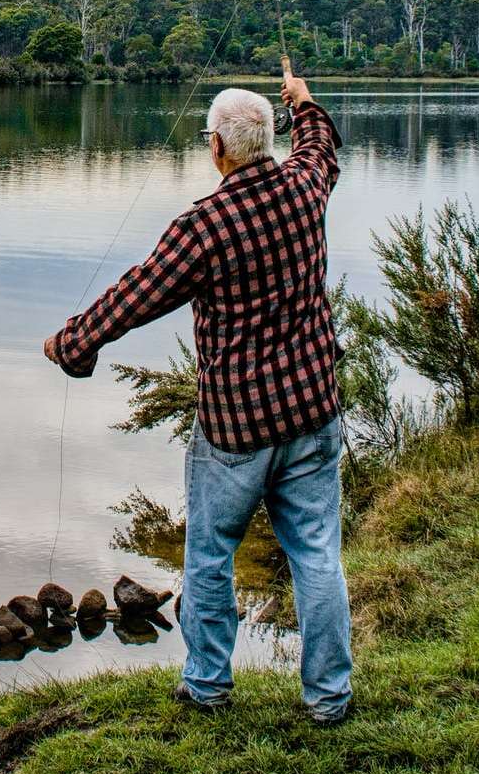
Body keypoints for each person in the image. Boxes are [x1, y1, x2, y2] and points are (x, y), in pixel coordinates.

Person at [44, 71, 352, 724]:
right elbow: (322, 146)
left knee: (211, 554)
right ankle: (329, 697)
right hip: (313, 411)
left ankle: (208, 684)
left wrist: (76, 344)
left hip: (237, 428)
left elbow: (139, 293)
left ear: (217, 148)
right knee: (318, 553)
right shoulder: (304, 187)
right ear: (266, 140)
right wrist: (305, 102)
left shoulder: (206, 226)